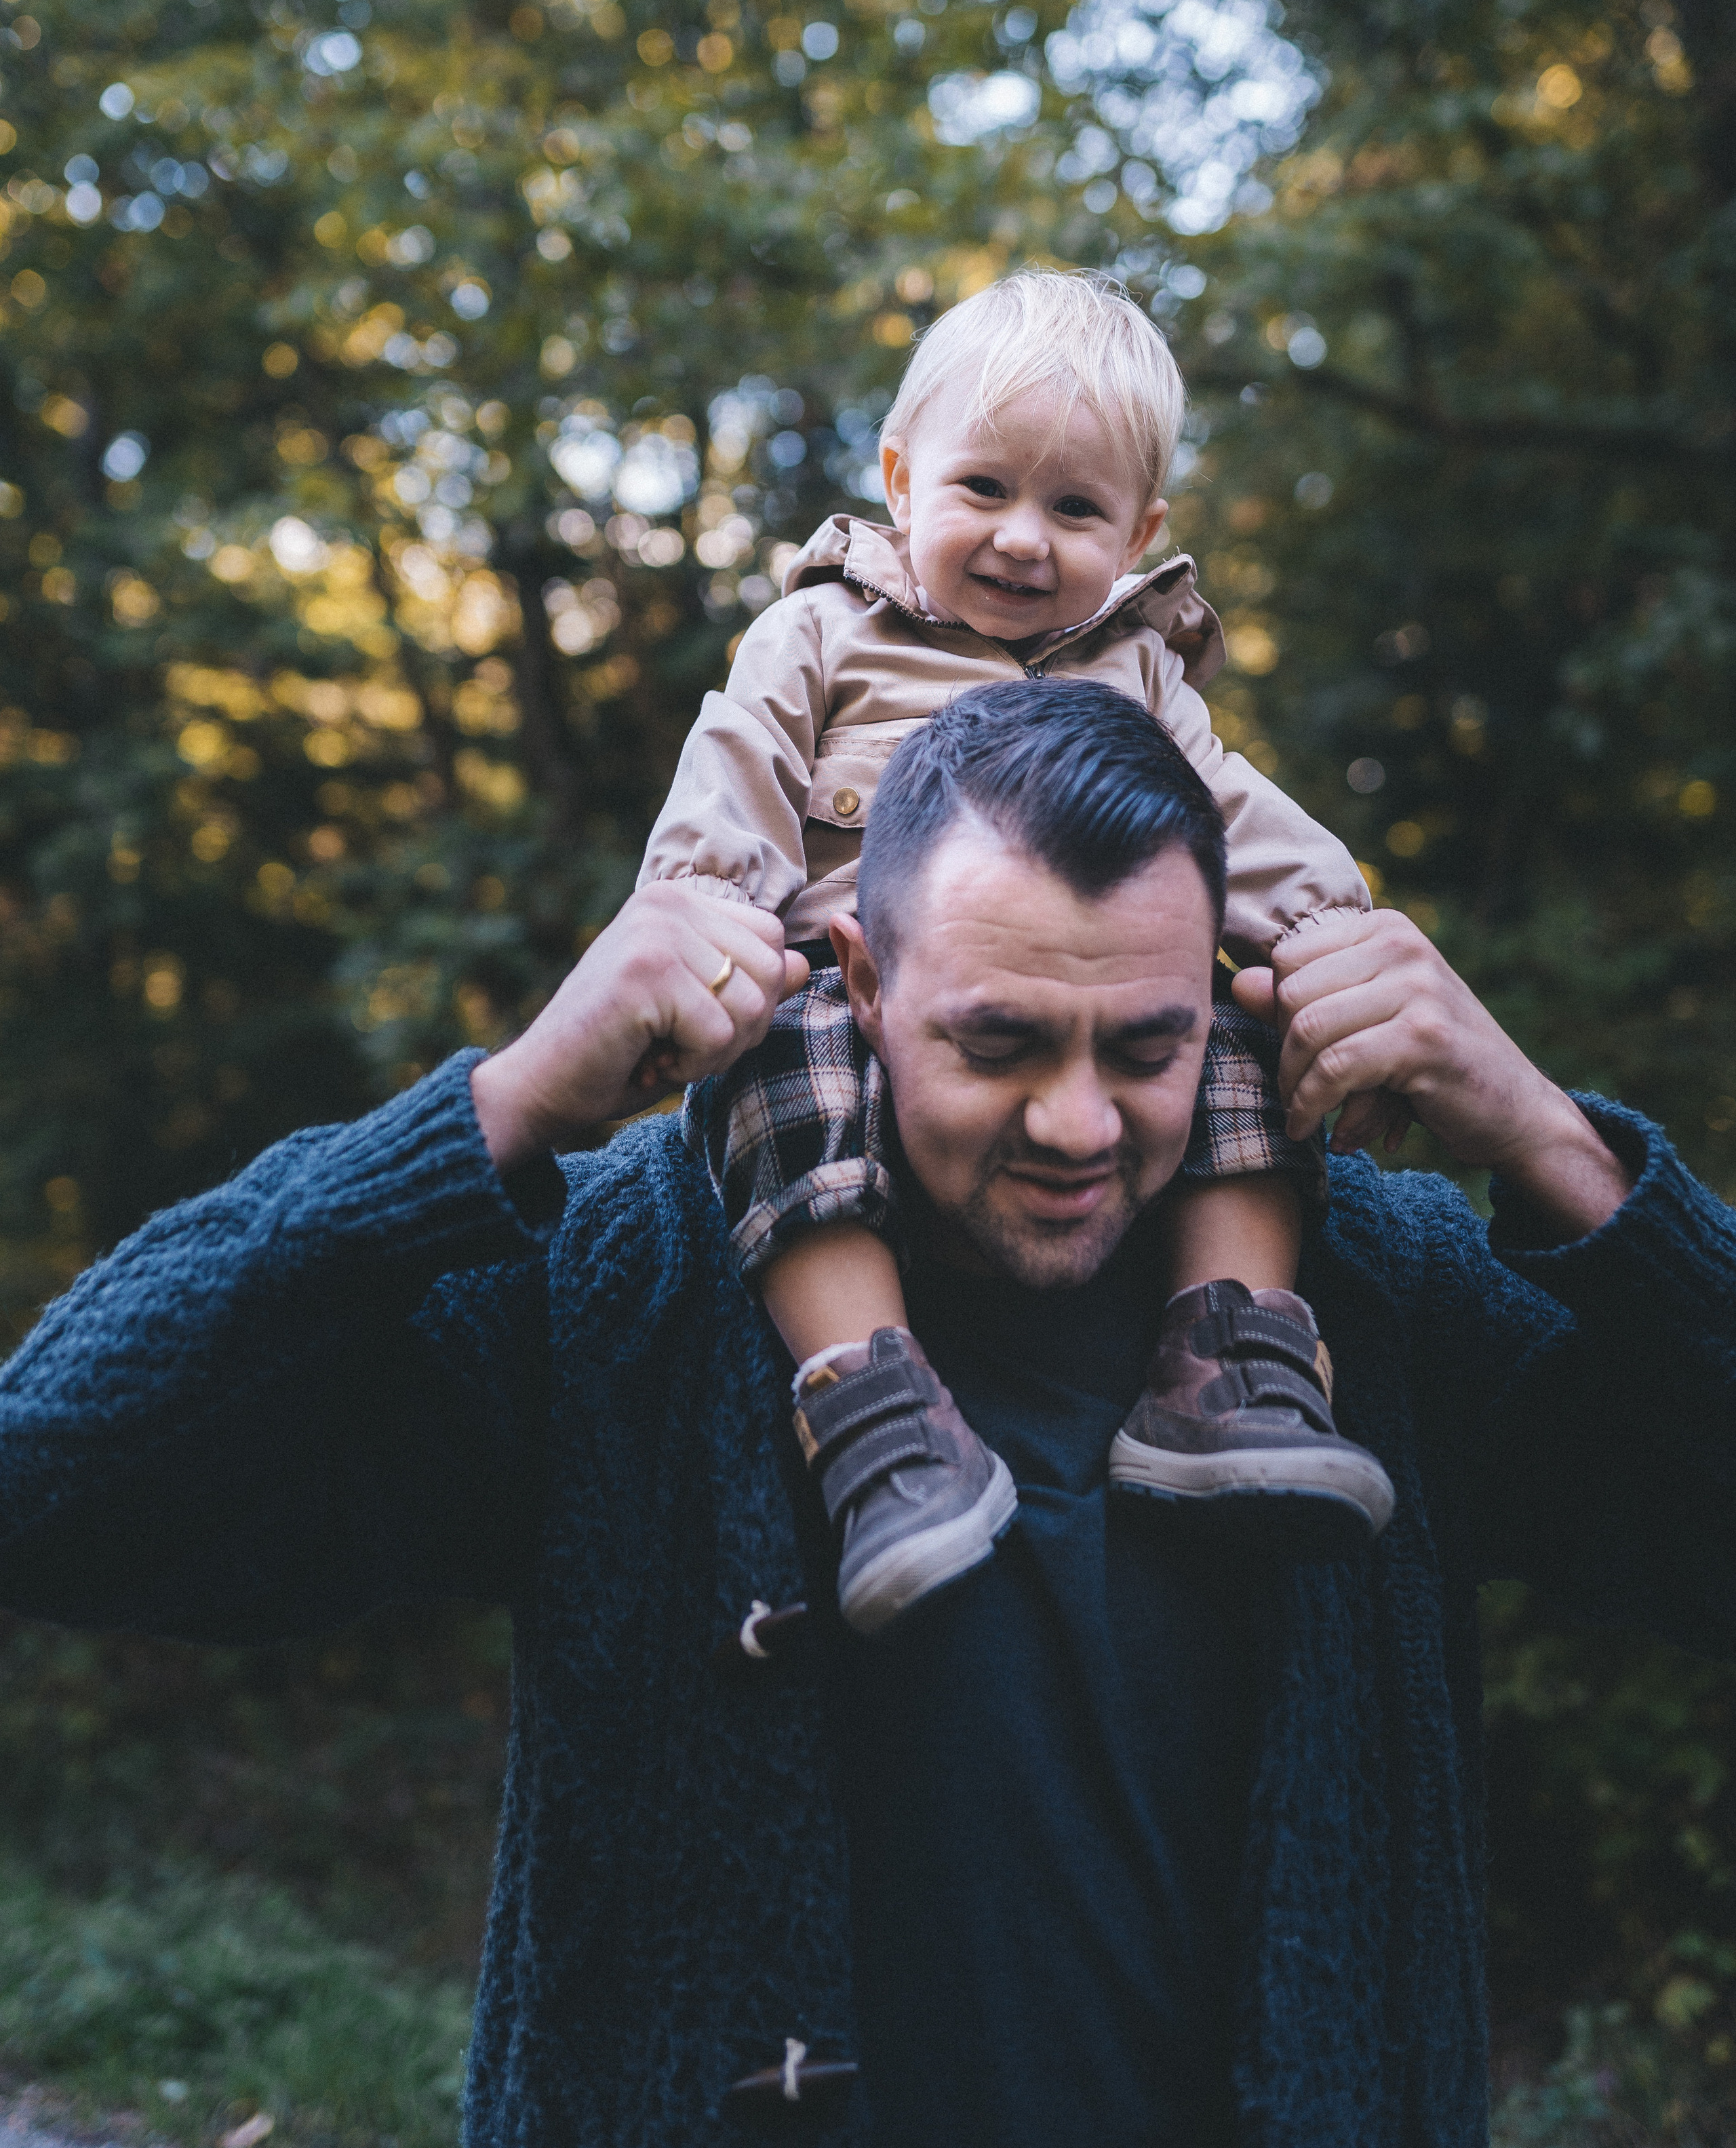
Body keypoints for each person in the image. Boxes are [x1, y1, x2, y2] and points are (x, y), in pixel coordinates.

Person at [3, 678, 1733, 2148]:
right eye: (996, 1044)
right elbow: (51, 1475)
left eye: (1141, 1048)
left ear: (1223, 989)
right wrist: (500, 1107)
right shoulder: (630, 1286)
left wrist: (1556, 1153)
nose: (1076, 1124)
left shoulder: (1378, 1294)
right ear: (853, 974)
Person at [640, 267, 1392, 1630]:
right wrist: (702, 929)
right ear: (900, 476)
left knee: (1229, 1040)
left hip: (1104, 991)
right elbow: (735, 769)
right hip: (838, 990)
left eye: (1075, 509)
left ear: (1142, 528)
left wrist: (1334, 937)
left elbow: (1232, 816)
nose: (1021, 543)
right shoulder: (821, 630)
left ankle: (1225, 1355)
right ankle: (871, 1410)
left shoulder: (1135, 672)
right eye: (982, 490)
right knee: (775, 1076)